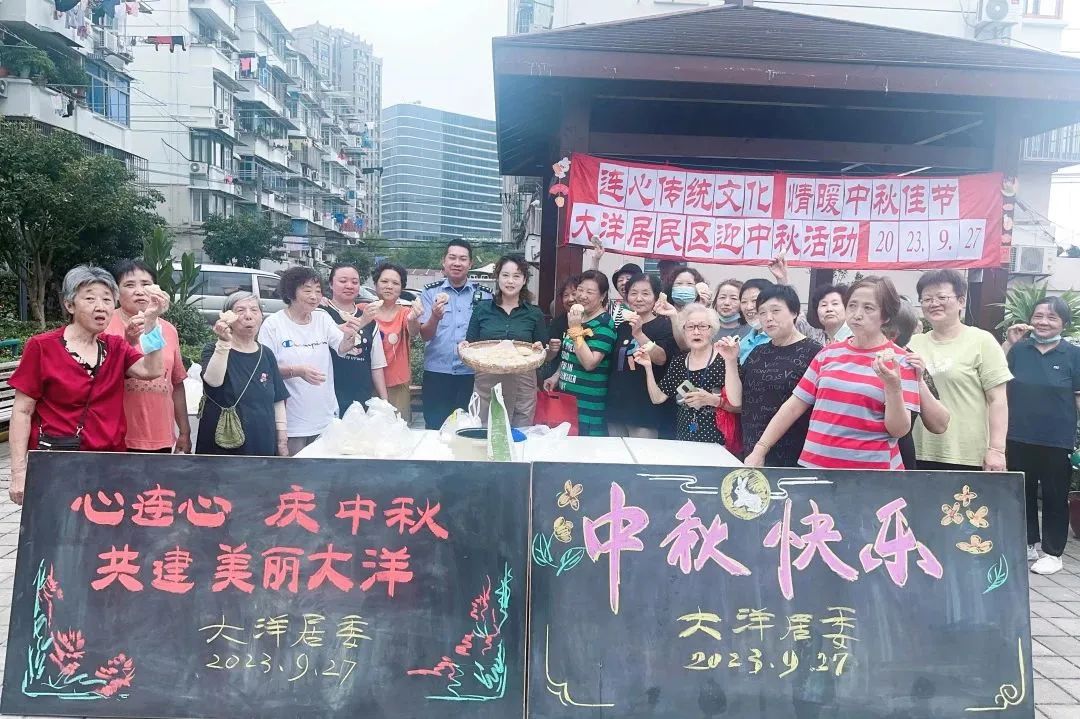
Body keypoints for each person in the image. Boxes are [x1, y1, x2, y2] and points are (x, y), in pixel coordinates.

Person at [8, 266, 168, 504]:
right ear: (69, 305)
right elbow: (22, 411)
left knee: (105, 525)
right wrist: (18, 472)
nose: (100, 306)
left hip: (109, 463)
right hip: (57, 461)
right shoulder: (42, 347)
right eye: (90, 299)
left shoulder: (115, 347)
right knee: (57, 524)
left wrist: (151, 322)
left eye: (107, 300)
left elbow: (152, 370)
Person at [745, 276, 920, 470]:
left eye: (868, 308)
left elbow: (898, 430)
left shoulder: (900, 361)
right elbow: (794, 406)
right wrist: (760, 449)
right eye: (852, 305)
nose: (857, 314)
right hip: (815, 466)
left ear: (886, 316)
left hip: (870, 473)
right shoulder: (827, 353)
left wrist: (893, 387)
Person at [1003, 297, 1080, 575]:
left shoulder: (1073, 355)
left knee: (1054, 495)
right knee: (1020, 491)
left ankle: (1052, 552)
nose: (1043, 322)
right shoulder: (1019, 350)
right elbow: (997, 379)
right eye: (1038, 316)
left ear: (1064, 323)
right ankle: (1027, 543)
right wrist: (1009, 342)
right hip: (1018, 435)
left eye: (1051, 317)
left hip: (1056, 439)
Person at [908, 270, 1011, 472]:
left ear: (961, 301)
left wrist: (997, 450)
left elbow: (997, 400)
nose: (933, 303)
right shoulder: (913, 343)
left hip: (965, 454)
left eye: (942, 297)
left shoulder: (982, 341)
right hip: (918, 450)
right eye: (927, 299)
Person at [259, 266, 364, 455]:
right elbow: (265, 370)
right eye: (307, 290)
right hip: (292, 420)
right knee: (295, 470)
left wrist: (350, 336)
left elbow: (341, 347)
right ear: (290, 293)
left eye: (318, 291)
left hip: (325, 416)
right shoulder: (273, 325)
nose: (314, 296)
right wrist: (297, 371)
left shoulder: (322, 318)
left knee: (323, 468)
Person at [727, 284, 822, 466]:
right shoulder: (758, 352)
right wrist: (730, 361)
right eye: (762, 313)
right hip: (752, 450)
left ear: (794, 312)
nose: (768, 318)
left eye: (775, 311)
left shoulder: (814, 352)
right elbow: (736, 401)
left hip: (794, 452)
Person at [105, 260, 190, 453]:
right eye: (129, 285)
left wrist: (184, 431)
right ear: (116, 293)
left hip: (160, 435)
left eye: (146, 284)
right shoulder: (105, 325)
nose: (139, 291)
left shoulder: (168, 330)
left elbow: (176, 383)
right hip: (116, 435)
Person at [198, 292, 289, 457]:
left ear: (261, 316)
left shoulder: (266, 354)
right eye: (240, 310)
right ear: (227, 318)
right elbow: (213, 381)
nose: (248, 316)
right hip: (223, 443)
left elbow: (277, 399)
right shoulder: (213, 349)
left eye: (254, 310)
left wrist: (282, 438)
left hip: (262, 439)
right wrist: (224, 342)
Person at [462, 254, 548, 426]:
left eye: (516, 276)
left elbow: (542, 350)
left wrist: (542, 348)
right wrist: (464, 347)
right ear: (498, 277)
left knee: (520, 432)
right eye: (505, 275)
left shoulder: (534, 313)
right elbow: (471, 345)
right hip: (487, 381)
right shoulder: (482, 309)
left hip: (523, 382)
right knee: (485, 430)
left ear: (524, 280)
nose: (510, 281)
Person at [636, 304, 741, 443]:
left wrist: (713, 400)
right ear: (684, 331)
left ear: (713, 330)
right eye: (690, 326)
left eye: (703, 326)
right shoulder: (679, 362)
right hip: (684, 439)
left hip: (719, 441)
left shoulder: (725, 359)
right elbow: (658, 398)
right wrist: (648, 367)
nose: (696, 332)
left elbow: (739, 406)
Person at [418, 240, 491, 429]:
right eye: (452, 258)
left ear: (470, 263)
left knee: (470, 429)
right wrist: (434, 317)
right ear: (443, 261)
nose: (457, 263)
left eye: (463, 259)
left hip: (472, 374)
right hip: (437, 374)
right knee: (435, 429)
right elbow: (425, 335)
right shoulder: (430, 292)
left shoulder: (485, 295)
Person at [543, 270, 617, 436]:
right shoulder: (579, 317)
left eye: (590, 292)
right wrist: (556, 376)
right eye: (580, 290)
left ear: (602, 295)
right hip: (567, 400)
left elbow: (590, 363)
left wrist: (576, 330)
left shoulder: (604, 324)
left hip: (588, 407)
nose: (582, 296)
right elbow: (570, 353)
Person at [606, 273, 675, 438]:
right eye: (633, 293)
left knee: (642, 453)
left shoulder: (663, 325)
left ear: (656, 297)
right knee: (616, 452)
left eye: (645, 293)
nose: (639, 298)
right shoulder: (622, 326)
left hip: (645, 408)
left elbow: (661, 358)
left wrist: (638, 334)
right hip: (617, 404)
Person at [887, 297, 951, 471]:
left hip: (898, 455)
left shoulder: (911, 363)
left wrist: (919, 380)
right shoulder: (847, 355)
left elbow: (940, 424)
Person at [320, 263, 389, 416]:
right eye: (343, 281)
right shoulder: (320, 314)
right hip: (328, 399)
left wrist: (385, 402)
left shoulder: (371, 322)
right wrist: (362, 321)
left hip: (361, 399)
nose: (349, 286)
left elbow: (376, 365)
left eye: (355, 282)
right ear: (331, 284)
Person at [369, 262, 423, 422]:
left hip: (397, 383)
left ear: (401, 288)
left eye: (395, 283)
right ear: (376, 284)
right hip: (367, 382)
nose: (389, 286)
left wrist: (413, 318)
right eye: (384, 281)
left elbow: (414, 331)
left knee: (399, 427)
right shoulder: (364, 310)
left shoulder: (405, 313)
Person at [541, 275, 579, 381]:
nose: (570, 299)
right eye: (566, 295)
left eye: (574, 294)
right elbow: (549, 355)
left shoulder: (591, 322)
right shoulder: (557, 323)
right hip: (560, 379)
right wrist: (551, 349)